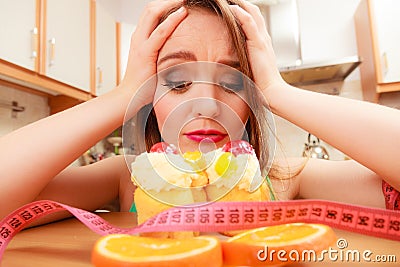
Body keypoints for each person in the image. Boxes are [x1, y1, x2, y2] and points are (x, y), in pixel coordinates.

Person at [0, 0, 399, 223]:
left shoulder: (281, 175)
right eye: (177, 82)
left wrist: (279, 92)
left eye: (232, 82)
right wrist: (120, 97)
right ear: (150, 94)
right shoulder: (127, 179)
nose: (207, 104)